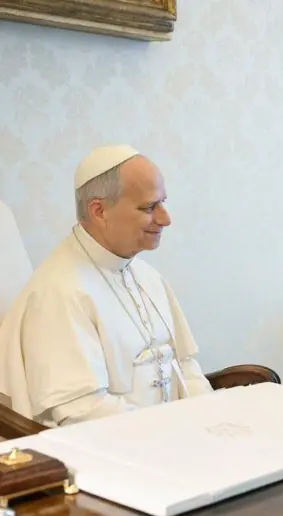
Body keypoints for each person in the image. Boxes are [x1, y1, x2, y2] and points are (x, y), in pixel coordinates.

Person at [0, 145, 213, 426]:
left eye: (163, 203)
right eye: (150, 207)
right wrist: (167, 433)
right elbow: (82, 411)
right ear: (99, 211)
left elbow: (184, 365)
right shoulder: (58, 292)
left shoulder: (146, 276)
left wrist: (211, 417)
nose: (165, 218)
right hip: (110, 451)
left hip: (168, 438)